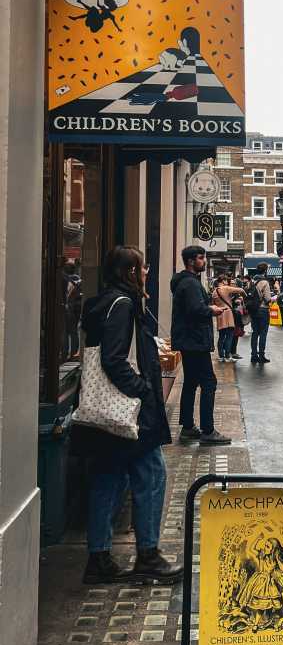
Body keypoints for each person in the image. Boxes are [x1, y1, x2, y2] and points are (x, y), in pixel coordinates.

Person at [76, 245, 182, 586]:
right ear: (130, 272)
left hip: (108, 411)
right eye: (142, 267)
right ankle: (148, 555)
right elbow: (113, 358)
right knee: (152, 475)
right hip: (126, 410)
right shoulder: (122, 305)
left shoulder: (106, 302)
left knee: (108, 479)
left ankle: (99, 558)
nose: (147, 273)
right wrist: (142, 388)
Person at [170, 246, 231, 446]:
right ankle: (208, 430)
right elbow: (196, 309)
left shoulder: (187, 282)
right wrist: (212, 310)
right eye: (200, 258)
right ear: (190, 261)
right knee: (209, 383)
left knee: (190, 383)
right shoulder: (190, 284)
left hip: (189, 341)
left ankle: (188, 427)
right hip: (195, 341)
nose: (204, 261)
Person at [212, 275, 245, 362]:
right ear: (223, 281)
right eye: (226, 281)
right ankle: (227, 356)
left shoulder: (214, 291)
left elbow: (214, 303)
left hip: (220, 314)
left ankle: (221, 356)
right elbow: (240, 290)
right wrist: (244, 294)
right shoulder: (225, 288)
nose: (227, 282)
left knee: (221, 336)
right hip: (228, 314)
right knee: (230, 335)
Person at [249, 262, 273, 365]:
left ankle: (254, 355)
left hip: (254, 309)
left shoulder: (252, 281)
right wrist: (272, 299)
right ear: (265, 270)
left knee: (255, 333)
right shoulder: (265, 282)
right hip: (263, 310)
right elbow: (267, 298)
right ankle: (261, 355)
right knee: (263, 333)